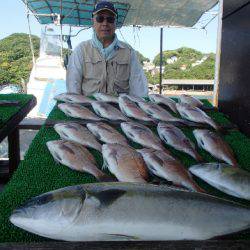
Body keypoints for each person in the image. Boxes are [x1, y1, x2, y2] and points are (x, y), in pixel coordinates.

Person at [66, 1, 148, 97]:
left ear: (115, 23)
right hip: (89, 109)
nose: (105, 23)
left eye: (110, 19)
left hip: (120, 109)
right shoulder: (81, 50)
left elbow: (139, 90)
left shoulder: (129, 52)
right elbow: (73, 89)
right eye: (100, 18)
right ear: (93, 21)